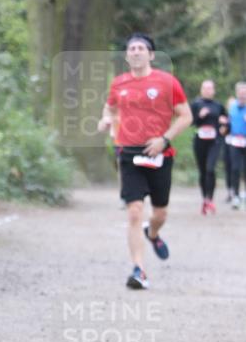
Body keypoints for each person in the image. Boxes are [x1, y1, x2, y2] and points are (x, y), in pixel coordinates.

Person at [98, 33, 192, 290]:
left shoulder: (167, 82)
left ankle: (153, 232)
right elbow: (110, 107)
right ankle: (139, 270)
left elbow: (186, 116)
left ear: (151, 55)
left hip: (160, 153)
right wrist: (105, 119)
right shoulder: (119, 84)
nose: (136, 52)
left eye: (141, 48)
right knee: (134, 212)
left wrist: (165, 139)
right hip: (128, 152)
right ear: (127, 56)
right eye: (132, 49)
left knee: (160, 212)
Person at [190, 79, 227, 214]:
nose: (207, 90)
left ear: (214, 90)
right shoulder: (196, 104)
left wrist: (224, 125)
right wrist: (199, 116)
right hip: (199, 141)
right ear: (201, 90)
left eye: (210, 88)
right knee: (203, 170)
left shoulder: (218, 106)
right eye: (205, 88)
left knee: (210, 169)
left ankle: (210, 199)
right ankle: (204, 198)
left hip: (215, 142)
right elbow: (190, 121)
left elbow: (226, 123)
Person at [227, 82, 246, 209]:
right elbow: (228, 123)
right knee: (235, 169)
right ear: (237, 93)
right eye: (241, 92)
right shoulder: (232, 106)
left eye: (245, 93)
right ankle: (236, 196)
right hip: (234, 141)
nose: (242, 95)